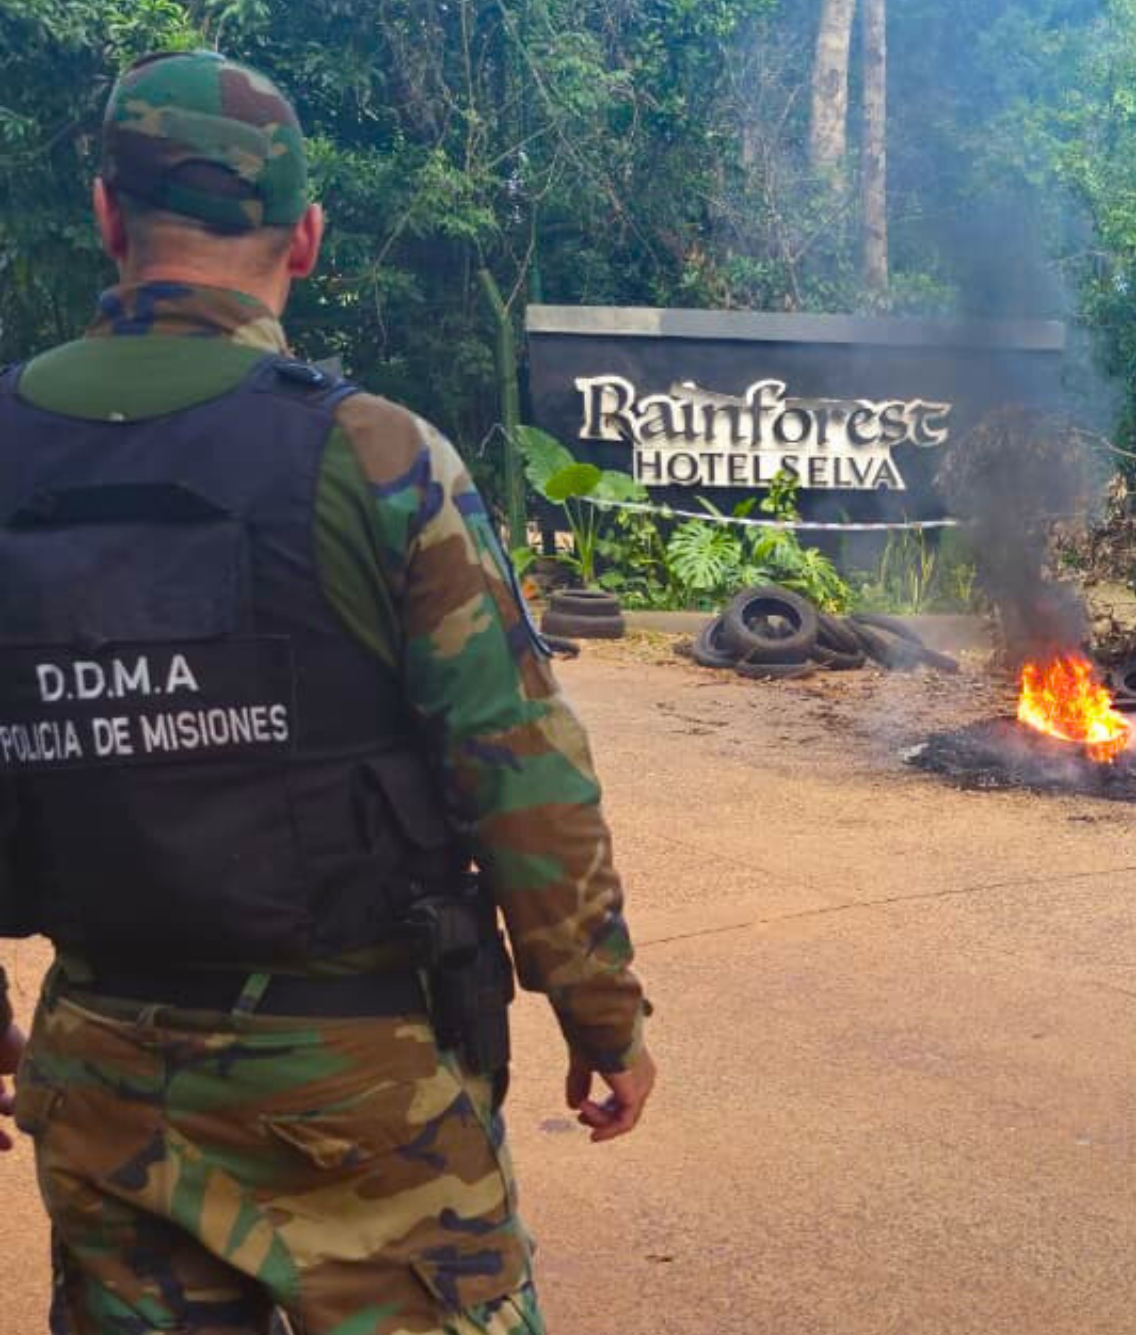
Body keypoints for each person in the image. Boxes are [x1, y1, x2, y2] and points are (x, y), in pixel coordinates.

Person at [0, 51, 655, 1334]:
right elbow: (519, 767)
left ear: (107, 217)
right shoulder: (374, 456)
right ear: (303, 239)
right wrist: (603, 1016)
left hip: (103, 1070)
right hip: (360, 1088)